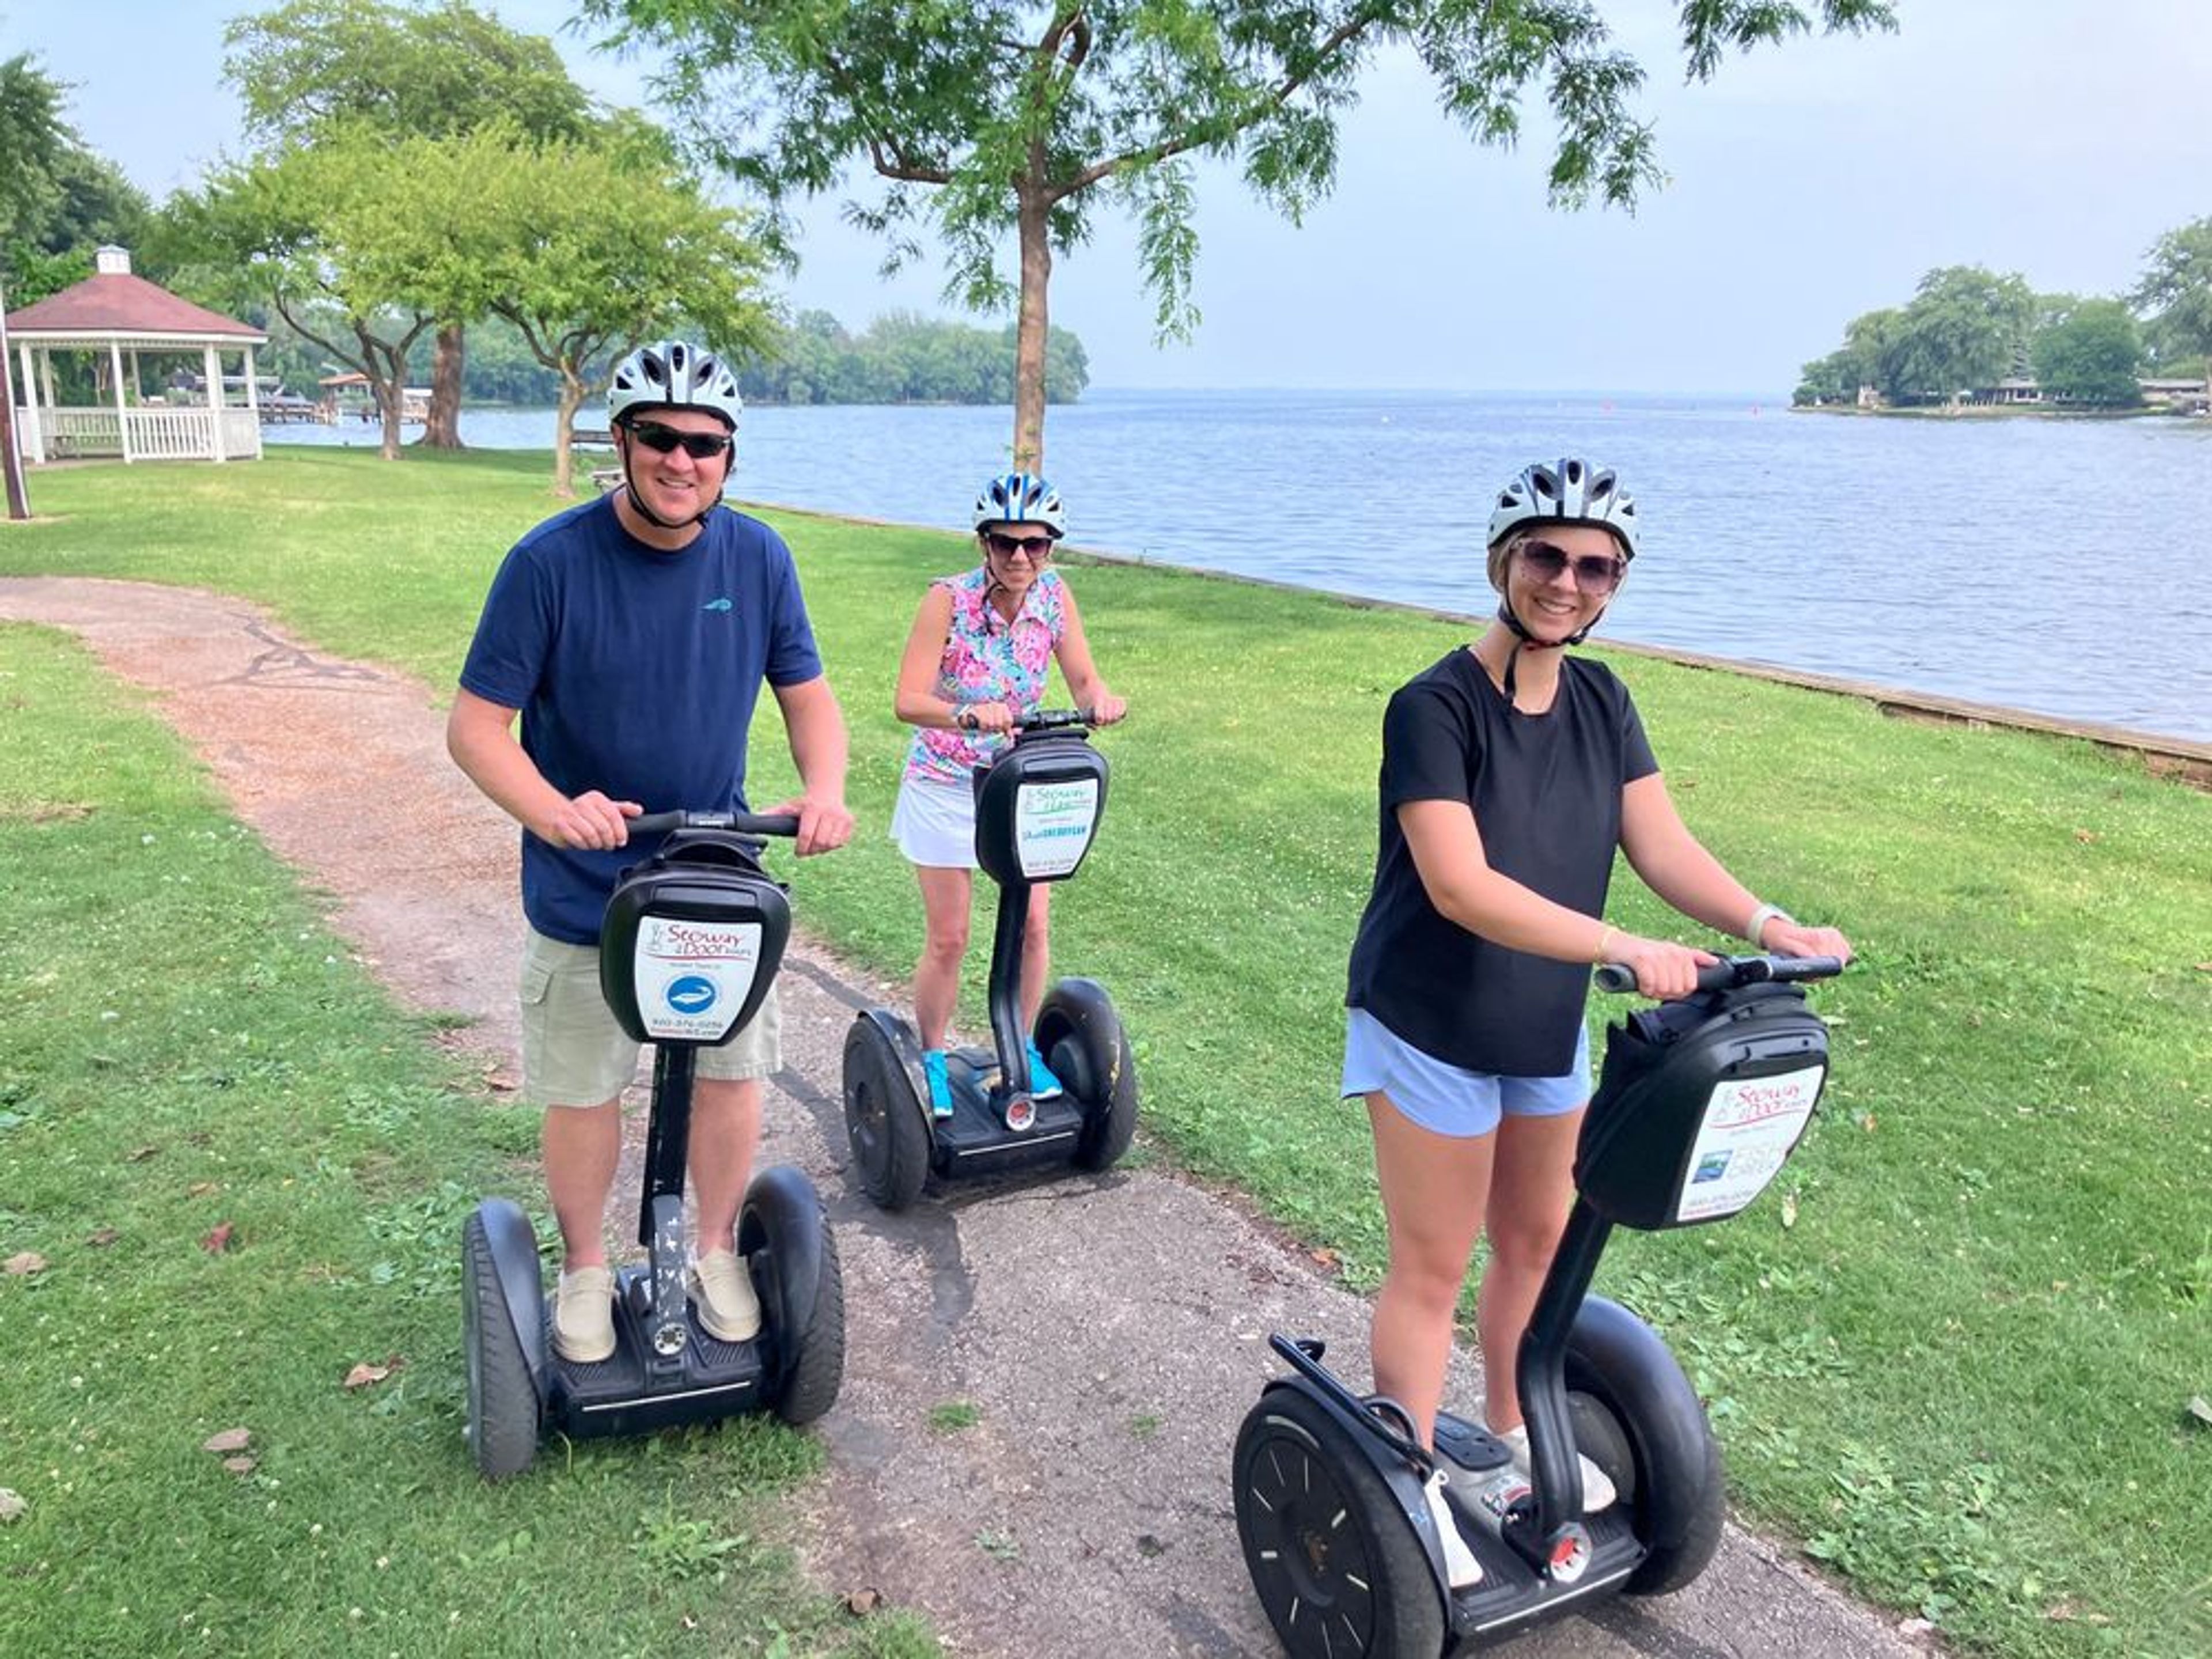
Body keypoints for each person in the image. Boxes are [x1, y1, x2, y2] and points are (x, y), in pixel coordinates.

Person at [1342, 457, 1851, 1508]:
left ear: (1615, 584)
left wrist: (1767, 922)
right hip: (1429, 1020)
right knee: (1432, 1269)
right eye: (1546, 555)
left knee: (1534, 1243)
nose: (1567, 582)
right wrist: (1621, 946)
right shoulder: (1432, 708)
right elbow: (1460, 885)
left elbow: (1661, 844)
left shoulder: (1604, 698)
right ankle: (1412, 1486)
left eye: (1596, 567)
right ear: (1503, 560)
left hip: (1543, 1024)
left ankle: (1514, 1433)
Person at [448, 338, 855, 1365]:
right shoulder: (549, 564)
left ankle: (714, 1246)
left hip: (711, 877)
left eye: (705, 445)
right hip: (588, 887)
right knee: (584, 1084)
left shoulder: (757, 557)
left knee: (730, 1072)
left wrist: (825, 790)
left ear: (729, 457)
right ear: (622, 441)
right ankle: (587, 1267)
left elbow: (807, 698)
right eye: (661, 439)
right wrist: (552, 809)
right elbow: (476, 728)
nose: (683, 461)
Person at [890, 472, 1127, 1115]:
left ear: (1051, 547)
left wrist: (1099, 702)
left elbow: (1082, 679)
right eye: (1005, 543)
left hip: (1018, 783)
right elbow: (908, 700)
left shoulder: (1054, 598)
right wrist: (966, 714)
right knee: (951, 936)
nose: (1020, 557)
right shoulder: (947, 600)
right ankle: (934, 1057)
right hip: (945, 782)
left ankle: (1019, 1050)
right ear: (983, 544)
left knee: (1034, 927)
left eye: (1036, 544)